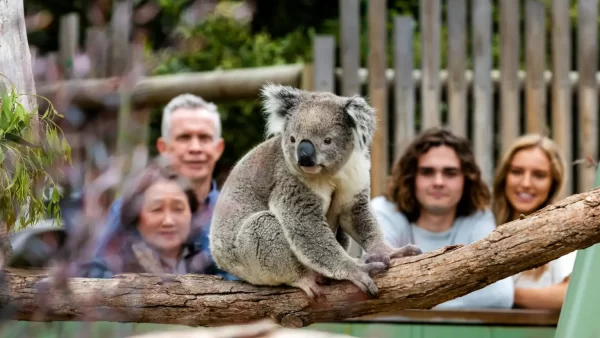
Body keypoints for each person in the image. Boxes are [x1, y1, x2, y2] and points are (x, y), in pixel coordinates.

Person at [82, 93, 232, 278]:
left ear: (219, 148)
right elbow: (96, 273)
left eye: (204, 138)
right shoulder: (126, 209)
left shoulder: (234, 214)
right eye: (184, 137)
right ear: (163, 148)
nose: (195, 148)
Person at [370, 127, 514, 309]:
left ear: (466, 178)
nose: (438, 182)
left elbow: (499, 295)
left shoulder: (479, 218)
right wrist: (465, 289)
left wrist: (411, 294)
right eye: (427, 172)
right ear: (412, 177)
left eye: (450, 173)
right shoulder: (385, 211)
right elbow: (379, 281)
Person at [492, 133, 575, 309]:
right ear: (504, 176)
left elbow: (571, 294)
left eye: (539, 175)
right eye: (517, 172)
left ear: (553, 183)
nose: (526, 183)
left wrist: (503, 294)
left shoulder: (564, 232)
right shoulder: (483, 227)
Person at [87, 158, 204, 276]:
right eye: (157, 209)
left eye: (178, 209)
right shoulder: (106, 272)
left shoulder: (209, 267)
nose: (168, 221)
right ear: (136, 217)